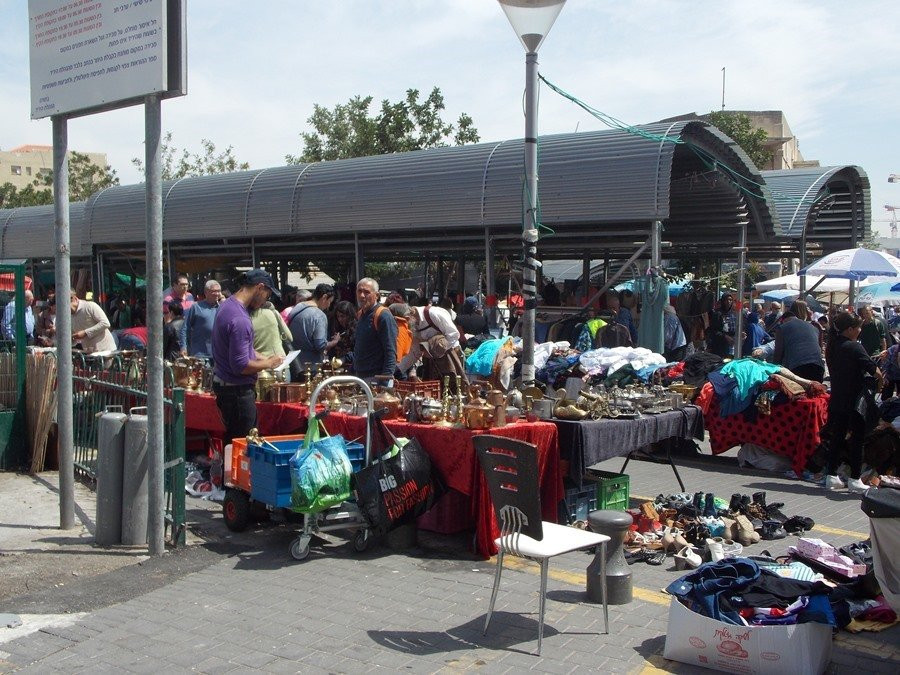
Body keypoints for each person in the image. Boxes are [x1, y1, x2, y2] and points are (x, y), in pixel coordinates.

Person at [211, 269, 284, 444]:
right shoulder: (240, 319)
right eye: (267, 294)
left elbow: (239, 350)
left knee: (233, 444)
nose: (267, 299)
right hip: (237, 393)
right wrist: (268, 362)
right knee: (244, 445)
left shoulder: (227, 306)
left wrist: (260, 356)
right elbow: (240, 365)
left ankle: (227, 471)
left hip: (227, 388)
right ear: (260, 287)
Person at [824, 311, 881, 493]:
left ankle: (831, 475)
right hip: (855, 401)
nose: (860, 330)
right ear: (850, 329)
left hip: (838, 398)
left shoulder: (832, 347)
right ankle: (855, 478)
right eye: (858, 327)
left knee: (837, 437)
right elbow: (875, 371)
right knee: (857, 439)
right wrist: (879, 385)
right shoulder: (855, 347)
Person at [397, 301, 467, 387]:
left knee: (454, 387)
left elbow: (454, 335)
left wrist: (436, 350)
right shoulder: (413, 325)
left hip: (450, 355)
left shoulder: (434, 314)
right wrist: (398, 369)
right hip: (431, 359)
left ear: (409, 317)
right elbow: (414, 351)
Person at [353, 278, 397, 379]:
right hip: (360, 376)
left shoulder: (383, 316)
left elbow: (390, 351)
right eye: (359, 291)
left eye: (366, 292)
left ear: (376, 295)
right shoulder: (360, 314)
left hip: (377, 378)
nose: (362, 296)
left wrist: (385, 382)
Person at [772, 303, 825, 382]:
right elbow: (819, 349)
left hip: (797, 368)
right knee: (816, 392)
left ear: (784, 320)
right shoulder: (813, 326)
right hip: (819, 368)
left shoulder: (782, 328)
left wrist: (773, 372)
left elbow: (778, 355)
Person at [288, 283, 338, 367]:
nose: (328, 306)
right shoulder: (319, 315)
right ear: (324, 297)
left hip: (294, 364)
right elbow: (321, 345)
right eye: (329, 302)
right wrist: (334, 342)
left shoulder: (297, 307)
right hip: (312, 366)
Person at [180, 279, 222, 360]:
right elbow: (185, 328)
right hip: (200, 355)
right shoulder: (196, 307)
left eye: (219, 291)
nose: (217, 294)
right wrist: (183, 347)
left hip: (218, 355)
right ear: (206, 292)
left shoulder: (222, 308)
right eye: (214, 291)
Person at [707, 293, 737, 357]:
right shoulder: (717, 314)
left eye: (730, 300)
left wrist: (740, 334)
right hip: (720, 346)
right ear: (723, 301)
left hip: (733, 345)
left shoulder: (734, 314)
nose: (728, 302)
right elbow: (713, 331)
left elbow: (735, 328)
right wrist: (725, 337)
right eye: (726, 300)